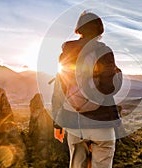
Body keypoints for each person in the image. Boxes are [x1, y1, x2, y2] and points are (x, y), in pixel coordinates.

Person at [52, 11, 122, 168]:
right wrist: (116, 73)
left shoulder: (66, 55)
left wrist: (57, 124)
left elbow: (59, 90)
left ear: (79, 29)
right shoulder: (104, 52)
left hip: (74, 123)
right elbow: (109, 87)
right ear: (99, 31)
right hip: (102, 122)